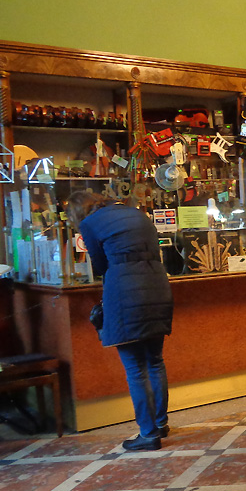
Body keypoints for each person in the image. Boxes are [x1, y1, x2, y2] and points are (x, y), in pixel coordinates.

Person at [67, 192, 173, 452]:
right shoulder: (138, 214)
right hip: (157, 286)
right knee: (155, 361)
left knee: (135, 368)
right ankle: (160, 423)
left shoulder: (90, 224)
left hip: (125, 293)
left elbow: (100, 265)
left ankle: (148, 434)